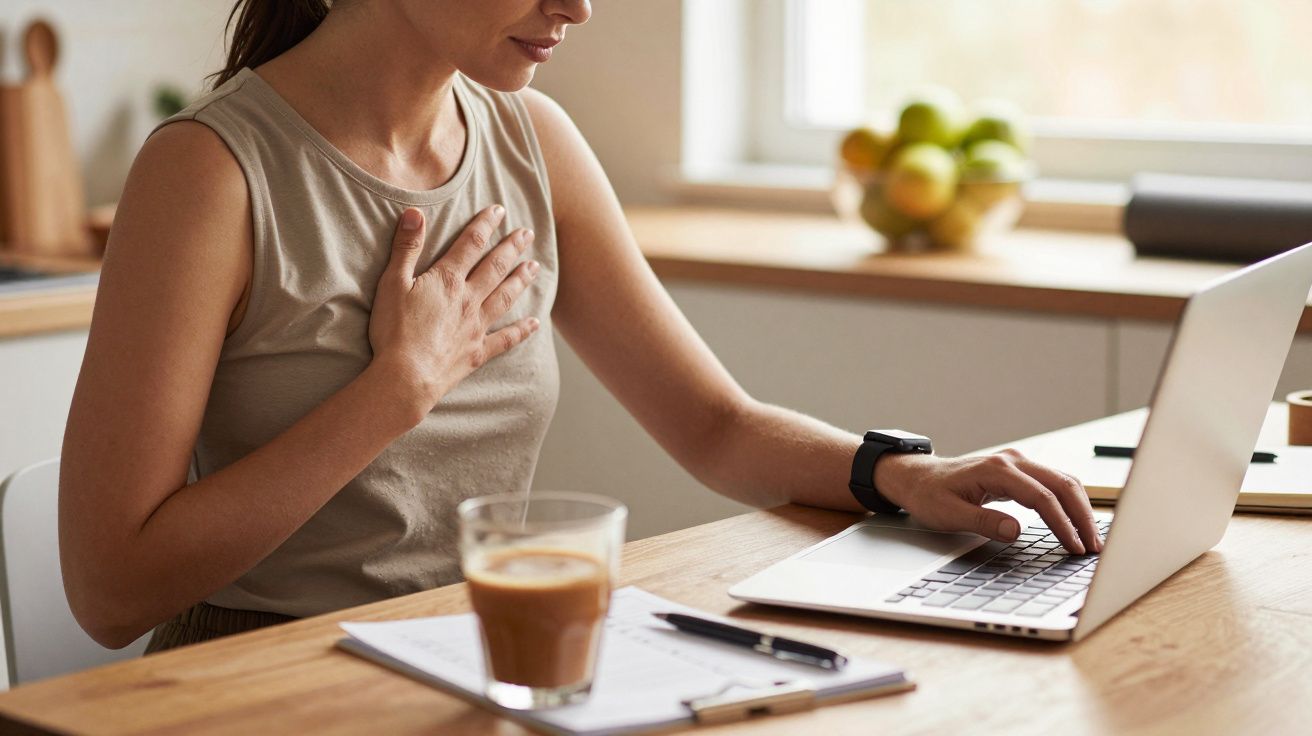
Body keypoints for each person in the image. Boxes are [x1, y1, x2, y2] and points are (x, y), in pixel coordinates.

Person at [60, 0, 1103, 652]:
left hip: (479, 653)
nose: (581, 7)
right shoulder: (207, 174)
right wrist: (397, 389)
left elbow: (713, 426)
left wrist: (899, 475)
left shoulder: (532, 142)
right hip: (257, 676)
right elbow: (109, 590)